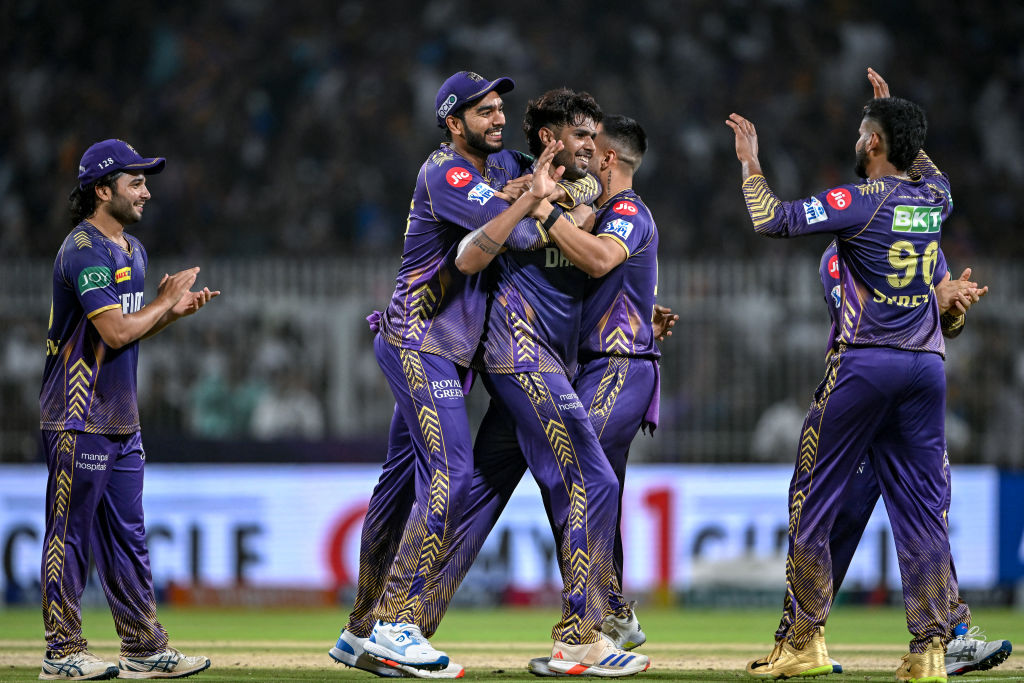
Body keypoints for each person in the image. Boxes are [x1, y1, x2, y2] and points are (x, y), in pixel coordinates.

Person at [328, 71, 572, 679]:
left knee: (396, 488)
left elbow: (571, 173)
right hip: (419, 340)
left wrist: (550, 184)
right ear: (452, 122)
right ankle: (397, 624)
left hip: (446, 350)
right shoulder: (447, 172)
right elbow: (512, 232)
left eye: (499, 109)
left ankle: (360, 631)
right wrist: (533, 197)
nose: (497, 118)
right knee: (452, 474)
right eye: (483, 111)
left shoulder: (502, 165)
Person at [726, 67, 958, 681]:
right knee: (923, 509)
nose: (857, 140)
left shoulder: (858, 201)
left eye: (863, 132)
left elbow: (769, 218)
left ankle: (804, 638)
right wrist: (894, 115)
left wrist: (751, 161)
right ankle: (931, 650)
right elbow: (925, 167)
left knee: (813, 496)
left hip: (865, 363)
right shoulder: (936, 198)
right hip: (926, 367)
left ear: (874, 145)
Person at [39, 139, 217, 680]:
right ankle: (61, 652)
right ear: (102, 190)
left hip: (120, 417)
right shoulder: (83, 249)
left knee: (127, 534)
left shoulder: (133, 252)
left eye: (145, 180)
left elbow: (127, 333)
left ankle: (142, 648)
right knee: (69, 535)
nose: (146, 190)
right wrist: (162, 304)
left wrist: (171, 314)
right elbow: (114, 330)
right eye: (135, 181)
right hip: (77, 415)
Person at [821, 244, 1011, 676]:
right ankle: (804, 634)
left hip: (910, 406)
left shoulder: (926, 244)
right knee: (839, 519)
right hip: (863, 399)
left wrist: (955, 308)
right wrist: (932, 300)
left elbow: (948, 326)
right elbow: (858, 318)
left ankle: (953, 636)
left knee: (928, 517)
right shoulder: (844, 248)